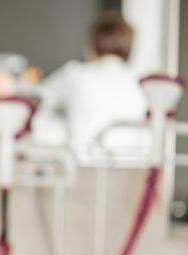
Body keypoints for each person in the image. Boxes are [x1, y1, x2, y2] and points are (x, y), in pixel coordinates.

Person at [34, 10, 148, 159]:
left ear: (92, 49)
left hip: (85, 174)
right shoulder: (142, 83)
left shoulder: (74, 75)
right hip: (132, 174)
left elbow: (36, 98)